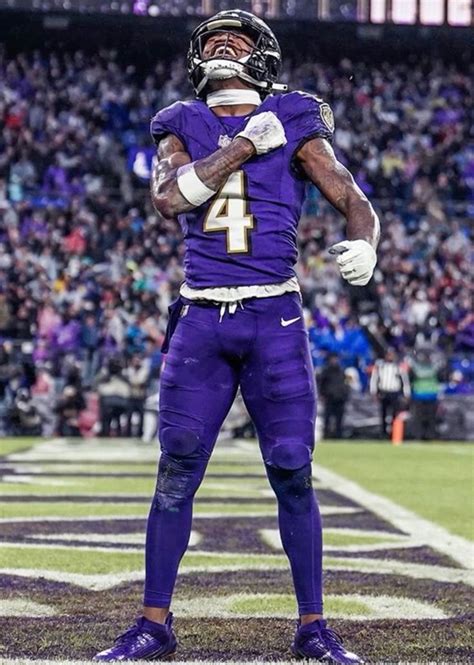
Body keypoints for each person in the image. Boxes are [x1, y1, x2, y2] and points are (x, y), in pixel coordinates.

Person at [94, 10, 379, 663]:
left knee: (293, 466)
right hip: (201, 316)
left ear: (263, 56)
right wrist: (246, 145)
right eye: (213, 39)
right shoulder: (181, 121)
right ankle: (153, 624)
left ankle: (313, 625)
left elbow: (351, 195)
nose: (223, 43)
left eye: (238, 38)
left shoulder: (296, 115)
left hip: (274, 315)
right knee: (176, 466)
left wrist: (366, 241)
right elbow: (170, 198)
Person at [369, 348, 411, 438]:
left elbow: (405, 380)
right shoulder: (380, 366)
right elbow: (374, 379)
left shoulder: (398, 366)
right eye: (389, 355)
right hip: (384, 391)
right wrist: (373, 392)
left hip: (394, 392)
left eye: (392, 354)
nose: (390, 356)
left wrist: (406, 393)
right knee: (383, 413)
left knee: (394, 414)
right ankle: (383, 433)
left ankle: (393, 433)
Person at [319, 353, 349, 439]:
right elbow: (321, 384)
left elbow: (345, 384)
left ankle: (338, 435)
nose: (335, 361)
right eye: (333, 359)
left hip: (340, 398)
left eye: (336, 359)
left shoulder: (342, 371)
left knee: (339, 418)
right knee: (327, 418)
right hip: (329, 397)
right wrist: (322, 394)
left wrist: (345, 394)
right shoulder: (326, 371)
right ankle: (326, 435)